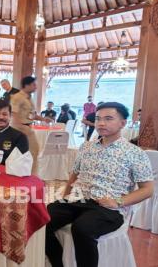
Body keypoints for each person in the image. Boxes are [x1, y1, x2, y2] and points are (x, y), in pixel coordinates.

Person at [45, 102, 154, 267]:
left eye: (109, 118)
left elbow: (147, 190)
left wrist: (118, 201)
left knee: (82, 229)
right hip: (79, 199)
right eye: (98, 119)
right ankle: (57, 263)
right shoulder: (86, 146)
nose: (101, 123)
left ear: (122, 123)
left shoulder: (135, 153)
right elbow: (74, 175)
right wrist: (66, 195)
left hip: (108, 207)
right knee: (41, 220)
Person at [10, 76, 52, 175]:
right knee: (32, 150)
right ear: (27, 85)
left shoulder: (29, 98)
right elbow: (14, 114)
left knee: (33, 151)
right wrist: (21, 127)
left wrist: (43, 119)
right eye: (33, 85)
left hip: (27, 127)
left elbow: (31, 115)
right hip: (20, 128)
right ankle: (29, 174)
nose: (36, 87)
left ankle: (30, 174)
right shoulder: (17, 97)